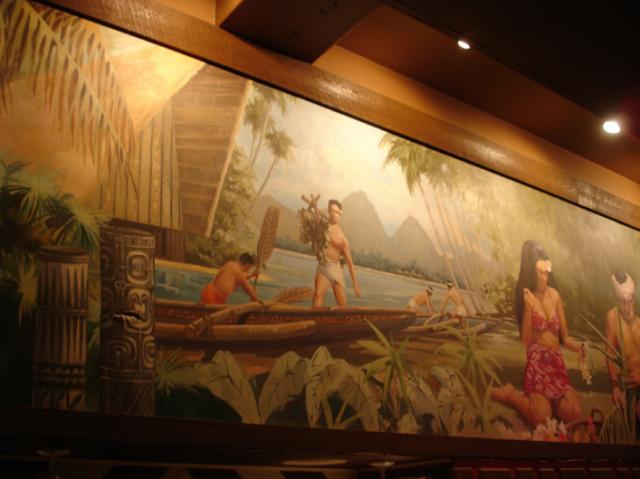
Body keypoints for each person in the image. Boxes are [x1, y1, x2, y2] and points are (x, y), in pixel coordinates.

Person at [491, 240, 583, 427]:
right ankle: (511, 394)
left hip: (556, 363)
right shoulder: (526, 296)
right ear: (531, 272)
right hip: (537, 362)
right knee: (541, 418)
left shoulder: (555, 295)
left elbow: (565, 338)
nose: (543, 278)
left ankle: (552, 403)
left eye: (546, 273)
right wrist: (528, 308)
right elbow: (525, 340)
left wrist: (579, 348)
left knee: (575, 412)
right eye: (539, 273)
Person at [604, 272, 640, 423]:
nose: (627, 307)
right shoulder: (613, 318)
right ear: (618, 300)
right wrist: (615, 386)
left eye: (630, 301)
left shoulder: (639, 323)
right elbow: (609, 353)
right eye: (623, 302)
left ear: (634, 299)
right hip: (632, 389)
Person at [312, 199, 361, 307]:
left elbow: (350, 262)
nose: (334, 214)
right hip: (324, 267)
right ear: (329, 212)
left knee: (343, 306)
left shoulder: (343, 238)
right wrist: (315, 206)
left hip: (336, 270)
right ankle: (314, 317)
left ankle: (343, 317)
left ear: (340, 213)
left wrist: (355, 284)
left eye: (336, 212)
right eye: (331, 211)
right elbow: (316, 216)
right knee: (318, 294)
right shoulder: (323, 225)